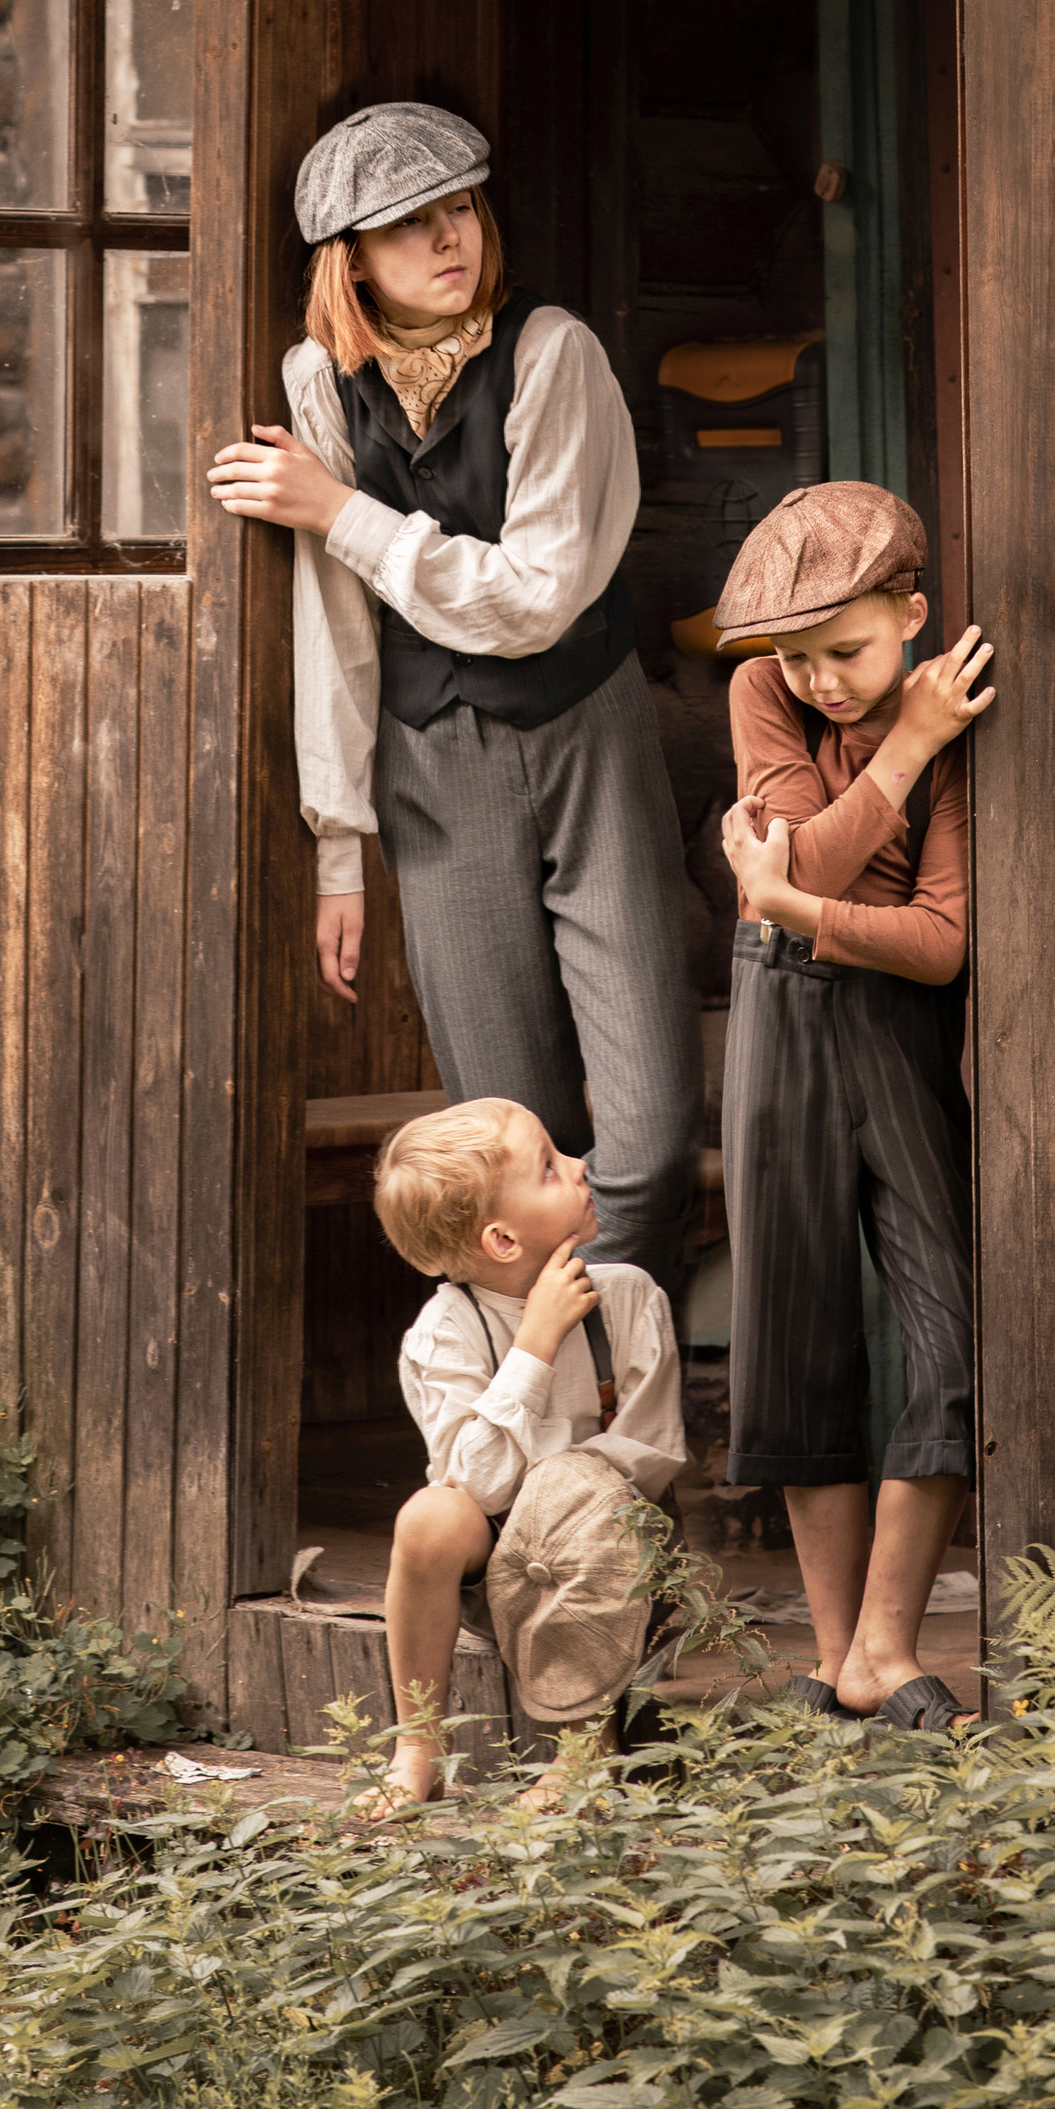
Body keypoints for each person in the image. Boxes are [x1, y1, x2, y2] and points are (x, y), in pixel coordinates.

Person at [207, 102, 702, 1297]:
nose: (449, 238)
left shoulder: (551, 355)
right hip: (430, 765)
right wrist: (339, 850)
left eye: (460, 207)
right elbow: (333, 631)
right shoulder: (317, 385)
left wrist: (341, 510)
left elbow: (533, 600)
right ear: (351, 262)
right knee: (502, 1141)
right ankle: (539, 1432)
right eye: (408, 225)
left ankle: (624, 1426)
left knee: (642, 1145)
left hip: (587, 735)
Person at [712, 481, 993, 1734]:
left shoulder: (965, 711)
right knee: (795, 1335)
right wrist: (904, 751)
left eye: (852, 649)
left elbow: (935, 947)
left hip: (890, 1026)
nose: (821, 680)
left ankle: (888, 1642)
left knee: (949, 1330)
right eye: (799, 656)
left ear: (913, 614)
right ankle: (839, 1661)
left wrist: (792, 907)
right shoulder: (761, 690)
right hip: (775, 1015)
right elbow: (801, 860)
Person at [370, 1095, 685, 1805]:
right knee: (428, 1516)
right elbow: (473, 1486)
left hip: (619, 1558)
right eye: (550, 1168)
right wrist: (535, 1345)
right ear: (503, 1240)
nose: (579, 1167)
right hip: (498, 1561)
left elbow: (654, 1455)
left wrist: (557, 1491)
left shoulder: (629, 1298)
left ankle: (584, 1749)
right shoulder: (445, 1333)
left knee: (575, 1479)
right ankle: (418, 1744)